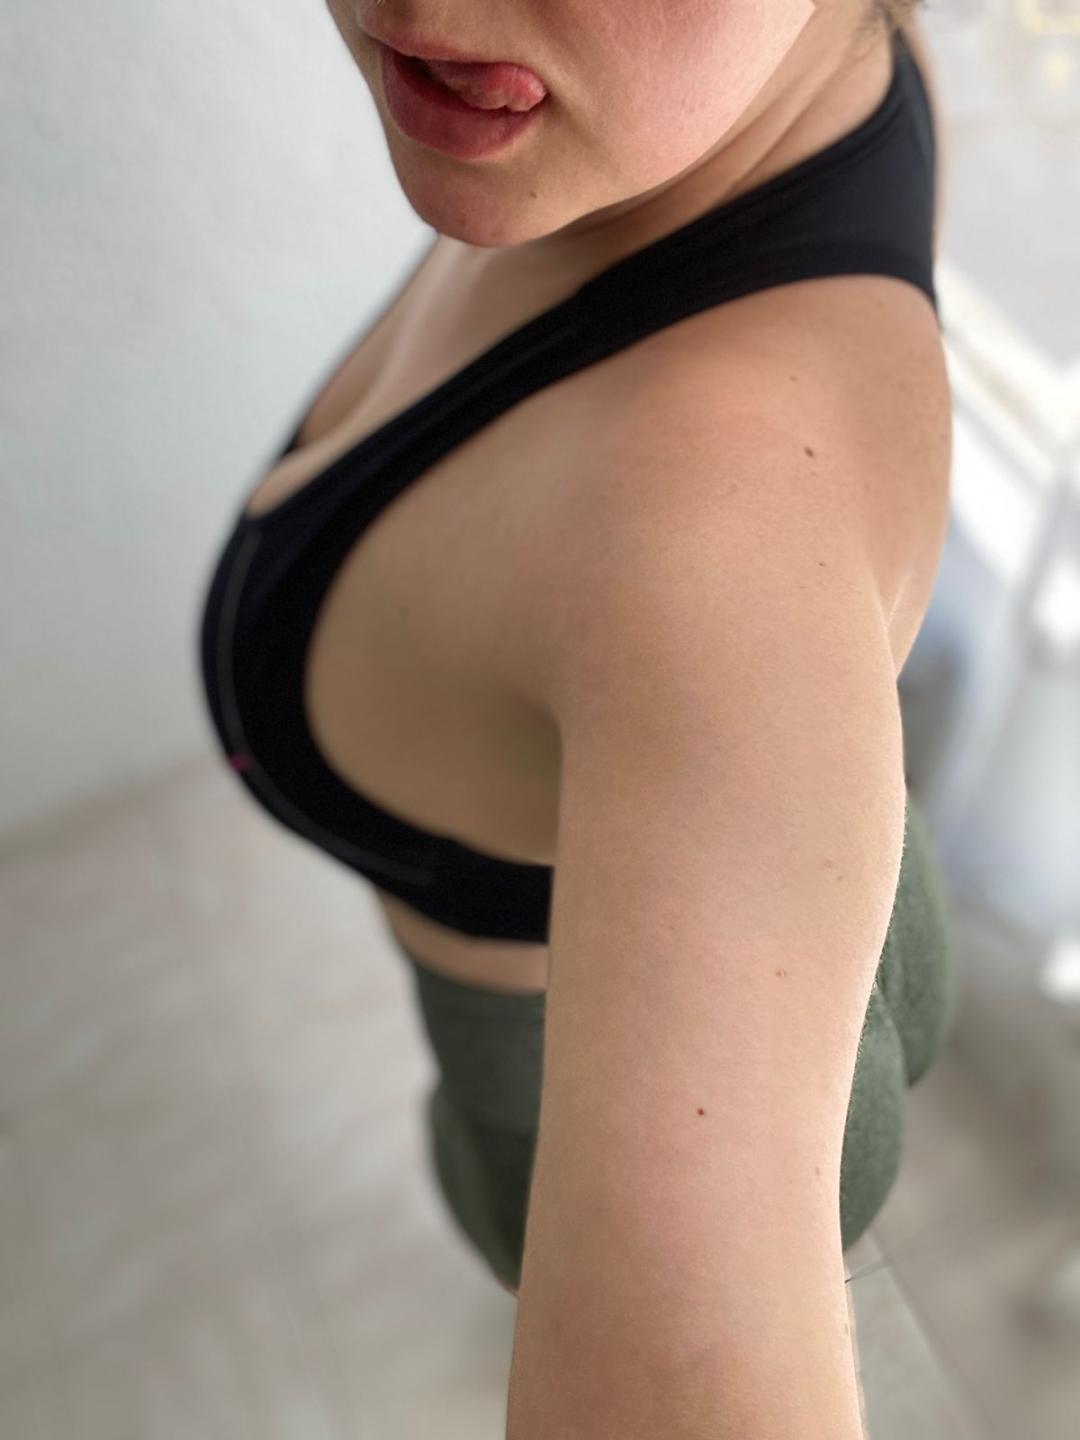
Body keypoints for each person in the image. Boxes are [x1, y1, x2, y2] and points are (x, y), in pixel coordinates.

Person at [197, 2, 957, 1434]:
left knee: (501, 1219)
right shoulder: (856, 60)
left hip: (552, 1075)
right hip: (865, 911)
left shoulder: (703, 545)